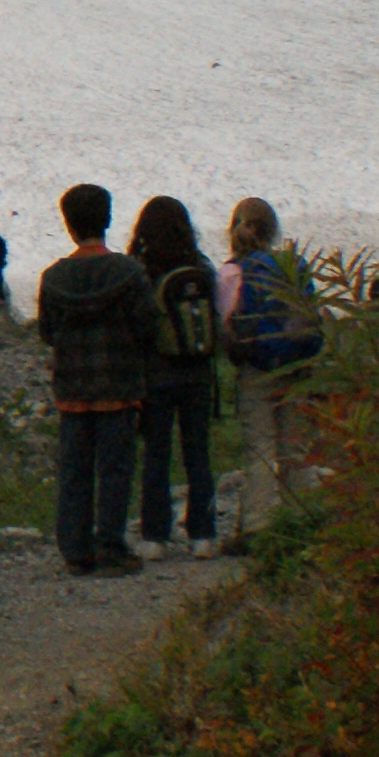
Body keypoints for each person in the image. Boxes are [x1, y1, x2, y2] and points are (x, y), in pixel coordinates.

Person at [34, 181, 157, 575]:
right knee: (115, 469)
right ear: (107, 220)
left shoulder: (53, 278)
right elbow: (146, 327)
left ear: (68, 225)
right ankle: (111, 545)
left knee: (74, 471)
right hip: (118, 387)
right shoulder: (129, 272)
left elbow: (47, 332)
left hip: (72, 389)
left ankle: (75, 549)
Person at [216, 195, 318, 552]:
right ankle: (302, 519)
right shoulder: (294, 264)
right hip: (297, 365)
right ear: (273, 229)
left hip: (255, 367)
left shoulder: (232, 271)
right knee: (295, 446)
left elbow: (224, 323)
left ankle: (257, 527)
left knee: (260, 446)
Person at [128, 195, 221, 553]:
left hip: (157, 373)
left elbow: (139, 324)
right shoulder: (201, 266)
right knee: (197, 452)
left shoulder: (142, 269)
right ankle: (203, 534)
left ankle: (154, 535)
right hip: (198, 372)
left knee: (157, 453)